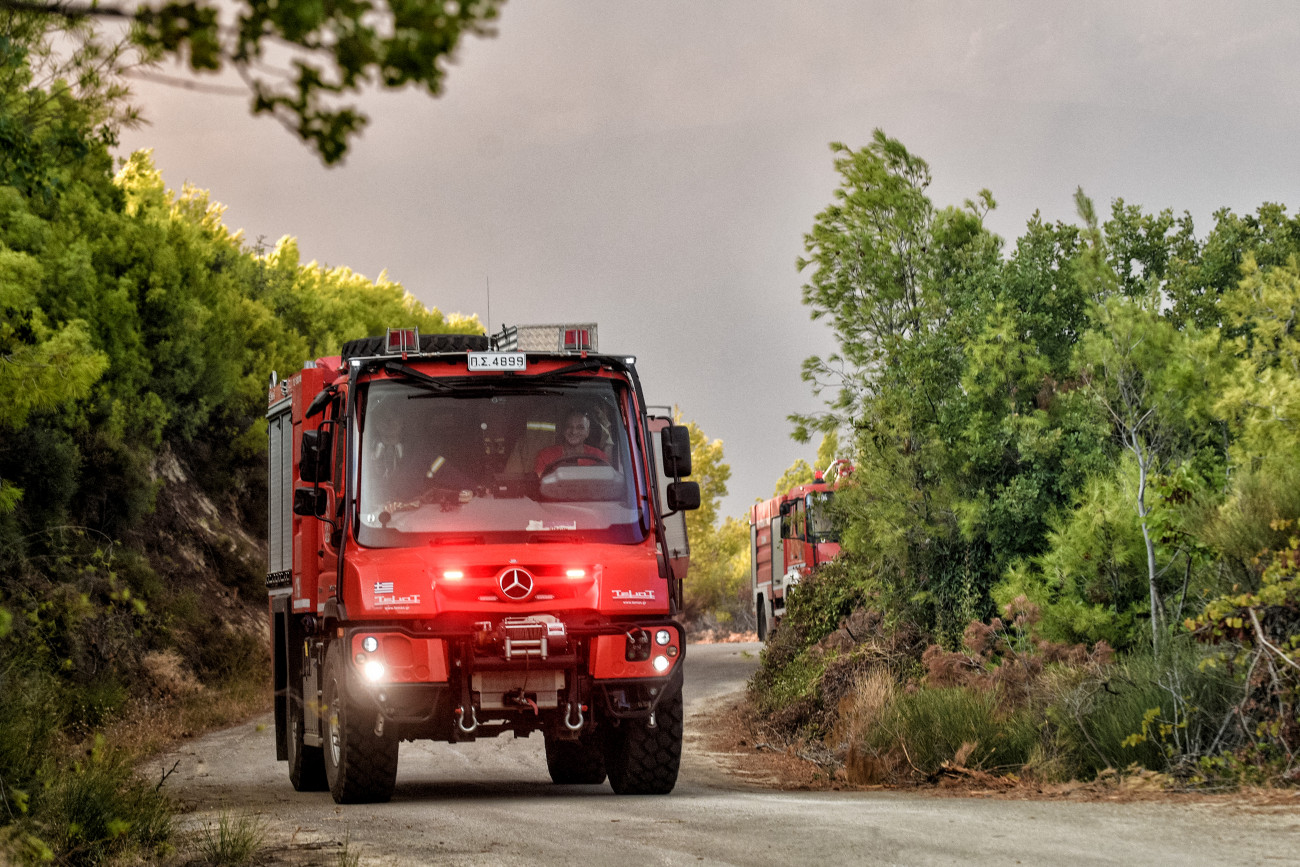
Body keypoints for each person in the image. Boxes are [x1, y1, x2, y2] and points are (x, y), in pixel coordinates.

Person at [534, 410, 608, 476]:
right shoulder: (546, 455)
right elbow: (539, 484)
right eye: (569, 426)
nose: (574, 432)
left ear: (587, 432)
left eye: (580, 427)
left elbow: (606, 485)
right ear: (563, 430)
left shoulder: (599, 456)